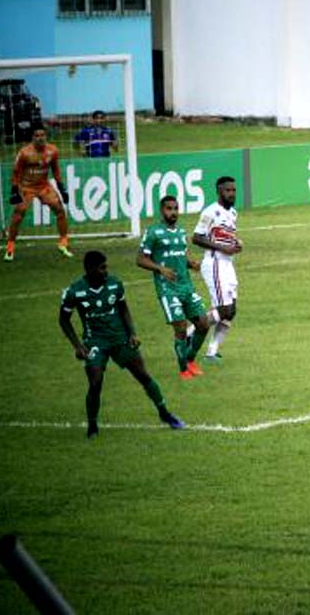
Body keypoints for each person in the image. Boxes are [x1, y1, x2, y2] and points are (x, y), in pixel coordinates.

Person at [59, 250, 186, 439]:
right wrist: (77, 345)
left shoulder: (115, 284)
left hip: (120, 338)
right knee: (95, 384)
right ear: (90, 269)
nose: (106, 271)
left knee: (143, 375)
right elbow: (63, 320)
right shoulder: (75, 291)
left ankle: (165, 413)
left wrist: (132, 333)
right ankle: (92, 426)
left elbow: (123, 309)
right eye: (102, 268)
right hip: (95, 341)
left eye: (106, 267)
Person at [136, 195, 212, 379]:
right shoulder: (153, 232)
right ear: (162, 211)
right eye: (169, 209)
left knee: (203, 323)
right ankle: (183, 369)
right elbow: (140, 259)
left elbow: (180, 255)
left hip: (186, 286)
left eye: (176, 208)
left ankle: (190, 359)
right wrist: (159, 268)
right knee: (181, 327)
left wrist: (191, 264)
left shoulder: (180, 233)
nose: (173, 212)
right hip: (167, 289)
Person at [4, 126, 72, 261]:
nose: (40, 138)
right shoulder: (24, 152)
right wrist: (14, 190)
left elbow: (56, 170)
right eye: (37, 135)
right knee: (18, 214)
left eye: (42, 135)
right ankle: (10, 247)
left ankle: (63, 243)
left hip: (44, 186)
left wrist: (61, 187)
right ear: (32, 138)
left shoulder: (52, 151)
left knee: (60, 210)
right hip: (26, 187)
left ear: (46, 137)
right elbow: (16, 171)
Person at [193, 176, 241, 362]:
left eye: (234, 190)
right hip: (214, 263)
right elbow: (197, 238)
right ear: (219, 191)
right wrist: (223, 248)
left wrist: (236, 244)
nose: (231, 193)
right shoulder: (210, 212)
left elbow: (225, 237)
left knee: (232, 310)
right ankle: (190, 333)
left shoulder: (233, 214)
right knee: (224, 310)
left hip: (228, 264)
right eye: (227, 190)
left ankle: (212, 351)